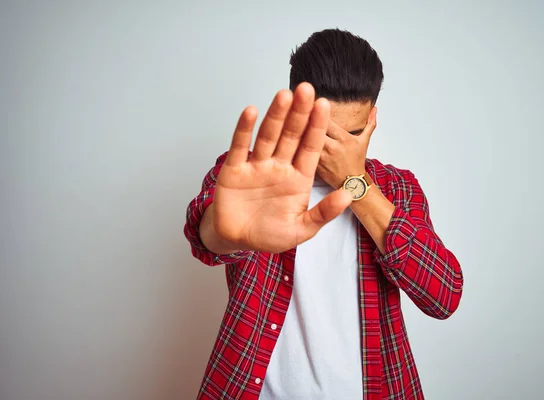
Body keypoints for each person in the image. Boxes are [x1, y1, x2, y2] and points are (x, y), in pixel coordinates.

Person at [184, 28, 463, 400]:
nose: (336, 150)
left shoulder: (397, 189)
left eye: (353, 133)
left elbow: (442, 296)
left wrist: (355, 182)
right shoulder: (250, 174)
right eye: (324, 135)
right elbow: (206, 240)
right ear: (297, 116)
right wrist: (222, 233)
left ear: (372, 120)